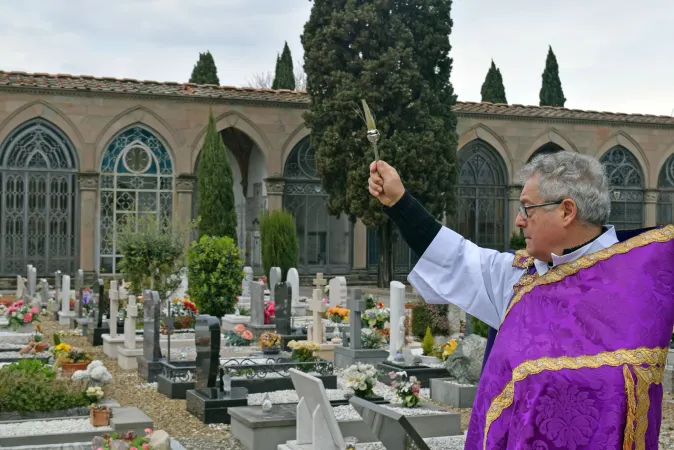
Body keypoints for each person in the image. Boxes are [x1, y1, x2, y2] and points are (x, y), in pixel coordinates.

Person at [368, 152, 674, 449]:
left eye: (527, 209)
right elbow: (454, 255)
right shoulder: (519, 277)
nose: (518, 220)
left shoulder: (648, 276)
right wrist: (399, 202)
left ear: (567, 211)